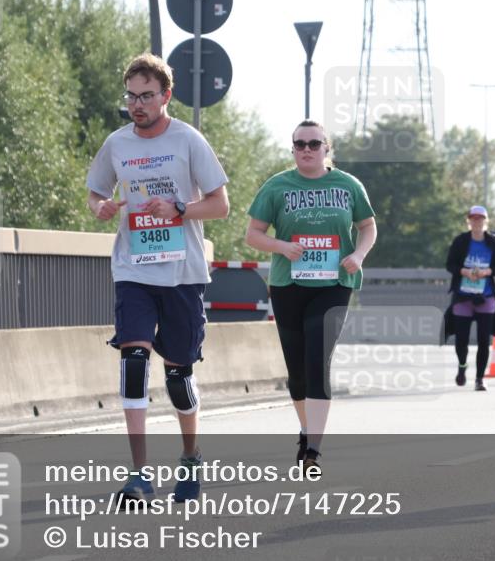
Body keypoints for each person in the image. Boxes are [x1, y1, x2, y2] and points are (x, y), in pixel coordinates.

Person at [86, 53, 229, 502]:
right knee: (132, 361)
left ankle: (190, 457)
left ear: (166, 96)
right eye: (131, 96)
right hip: (133, 269)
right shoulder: (117, 144)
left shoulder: (189, 140)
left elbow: (220, 204)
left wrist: (180, 208)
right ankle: (139, 474)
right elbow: (95, 191)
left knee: (178, 377)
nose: (137, 104)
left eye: (146, 96)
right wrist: (101, 207)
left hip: (183, 272)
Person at [245, 120, 377, 476]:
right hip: (289, 284)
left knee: (318, 355)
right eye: (300, 144)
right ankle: (306, 431)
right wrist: (282, 246)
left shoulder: (348, 185)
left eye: (314, 143)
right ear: (293, 149)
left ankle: (314, 450)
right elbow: (253, 234)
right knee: (297, 371)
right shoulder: (277, 186)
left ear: (326, 148)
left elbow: (367, 226)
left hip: (335, 283)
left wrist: (358, 256)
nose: (306, 149)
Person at [442, 206, 495, 392]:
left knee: (483, 340)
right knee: (461, 339)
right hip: (463, 296)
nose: (477, 222)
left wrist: (486, 272)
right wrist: (465, 271)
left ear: (485, 221)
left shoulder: (494, 242)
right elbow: (450, 265)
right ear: (469, 221)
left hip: (486, 296)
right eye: (474, 218)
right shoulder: (461, 241)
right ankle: (462, 366)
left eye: (480, 219)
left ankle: (480, 379)